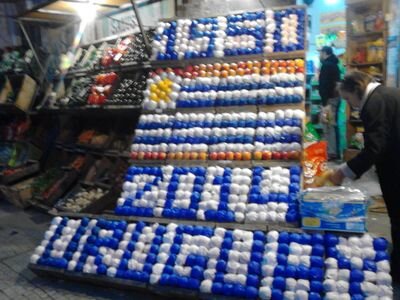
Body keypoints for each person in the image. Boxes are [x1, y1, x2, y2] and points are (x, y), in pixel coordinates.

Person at [330, 70, 400, 283]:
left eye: (348, 99)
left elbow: (374, 149)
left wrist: (343, 171)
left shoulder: (373, 104)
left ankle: (397, 273)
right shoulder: (387, 94)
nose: (351, 105)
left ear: (356, 90)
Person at [318, 46, 341, 159]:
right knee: (331, 125)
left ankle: (331, 152)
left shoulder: (327, 65)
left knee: (328, 125)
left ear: (325, 53)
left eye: (320, 53)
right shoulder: (334, 65)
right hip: (334, 98)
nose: (319, 56)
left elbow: (324, 85)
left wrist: (325, 102)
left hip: (329, 100)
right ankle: (332, 151)